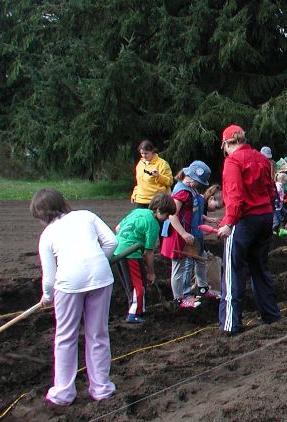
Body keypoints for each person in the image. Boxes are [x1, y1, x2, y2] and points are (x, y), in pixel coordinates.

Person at [31, 188, 118, 406]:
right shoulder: (87, 215)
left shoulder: (47, 235)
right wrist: (100, 261)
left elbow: (49, 278)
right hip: (101, 278)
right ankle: (102, 388)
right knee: (98, 334)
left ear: (43, 215)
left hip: (69, 284)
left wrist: (47, 296)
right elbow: (112, 243)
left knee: (65, 337)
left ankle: (63, 393)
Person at [217, 124, 280, 336]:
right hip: (264, 217)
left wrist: (228, 223)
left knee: (233, 272)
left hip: (243, 221)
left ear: (227, 144)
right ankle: (271, 315)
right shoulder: (261, 158)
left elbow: (235, 195)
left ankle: (231, 324)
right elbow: (271, 190)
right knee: (260, 268)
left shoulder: (232, 161)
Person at [161, 161, 219, 309]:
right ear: (190, 177)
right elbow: (173, 215)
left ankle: (203, 289)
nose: (198, 185)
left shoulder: (190, 190)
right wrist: (183, 233)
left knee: (201, 259)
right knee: (179, 267)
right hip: (180, 234)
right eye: (197, 182)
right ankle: (179, 299)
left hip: (191, 232)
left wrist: (206, 218)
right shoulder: (182, 192)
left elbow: (191, 210)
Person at [114, 193, 176, 323]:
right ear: (158, 210)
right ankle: (133, 315)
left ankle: (139, 309)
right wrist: (151, 273)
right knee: (138, 286)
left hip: (117, 250)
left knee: (134, 282)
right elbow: (149, 252)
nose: (167, 219)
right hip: (130, 252)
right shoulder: (153, 224)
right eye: (166, 215)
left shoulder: (138, 211)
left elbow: (118, 228)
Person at [130, 140, 174, 208]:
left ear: (152, 151)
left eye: (146, 153)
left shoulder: (162, 164)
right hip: (140, 200)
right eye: (142, 153)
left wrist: (158, 176)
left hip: (156, 201)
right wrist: (135, 193)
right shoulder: (140, 163)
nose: (144, 156)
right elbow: (139, 182)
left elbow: (170, 182)